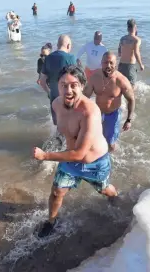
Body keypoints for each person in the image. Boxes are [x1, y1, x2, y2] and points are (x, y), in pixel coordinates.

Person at [33, 65, 118, 238]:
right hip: (70, 161)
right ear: (57, 85)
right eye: (63, 84)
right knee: (57, 191)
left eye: (73, 84)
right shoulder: (56, 104)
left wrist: (45, 156)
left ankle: (115, 198)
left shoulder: (90, 112)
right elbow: (62, 129)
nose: (68, 90)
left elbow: (80, 154)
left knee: (104, 190)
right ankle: (52, 221)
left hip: (94, 163)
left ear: (82, 85)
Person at [84, 52, 135, 152]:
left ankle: (109, 160)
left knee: (110, 144)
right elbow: (85, 96)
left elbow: (131, 99)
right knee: (92, 139)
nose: (108, 65)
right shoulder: (95, 77)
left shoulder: (121, 80)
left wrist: (129, 120)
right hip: (98, 113)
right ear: (101, 63)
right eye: (105, 62)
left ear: (115, 64)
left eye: (111, 63)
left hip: (113, 114)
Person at [39, 35, 77, 126]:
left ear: (57, 45)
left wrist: (49, 92)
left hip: (54, 97)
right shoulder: (71, 58)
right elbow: (77, 81)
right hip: (68, 97)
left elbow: (42, 81)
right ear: (68, 46)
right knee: (70, 125)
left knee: (57, 124)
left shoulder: (48, 58)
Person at [118, 19, 144, 89]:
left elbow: (119, 53)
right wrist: (141, 64)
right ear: (135, 27)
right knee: (132, 87)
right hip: (130, 66)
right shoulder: (137, 40)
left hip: (121, 65)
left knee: (119, 85)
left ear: (127, 28)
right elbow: (136, 52)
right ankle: (131, 99)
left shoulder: (122, 38)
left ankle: (120, 99)